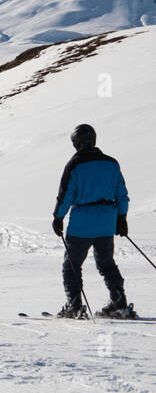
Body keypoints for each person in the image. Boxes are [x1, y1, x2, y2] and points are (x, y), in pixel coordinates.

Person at [53, 124, 133, 318]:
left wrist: (58, 217)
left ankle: (74, 306)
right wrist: (121, 218)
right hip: (107, 221)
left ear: (75, 143)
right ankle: (119, 303)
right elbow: (121, 194)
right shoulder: (111, 163)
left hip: (82, 223)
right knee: (106, 263)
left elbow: (66, 195)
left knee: (71, 265)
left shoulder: (74, 165)